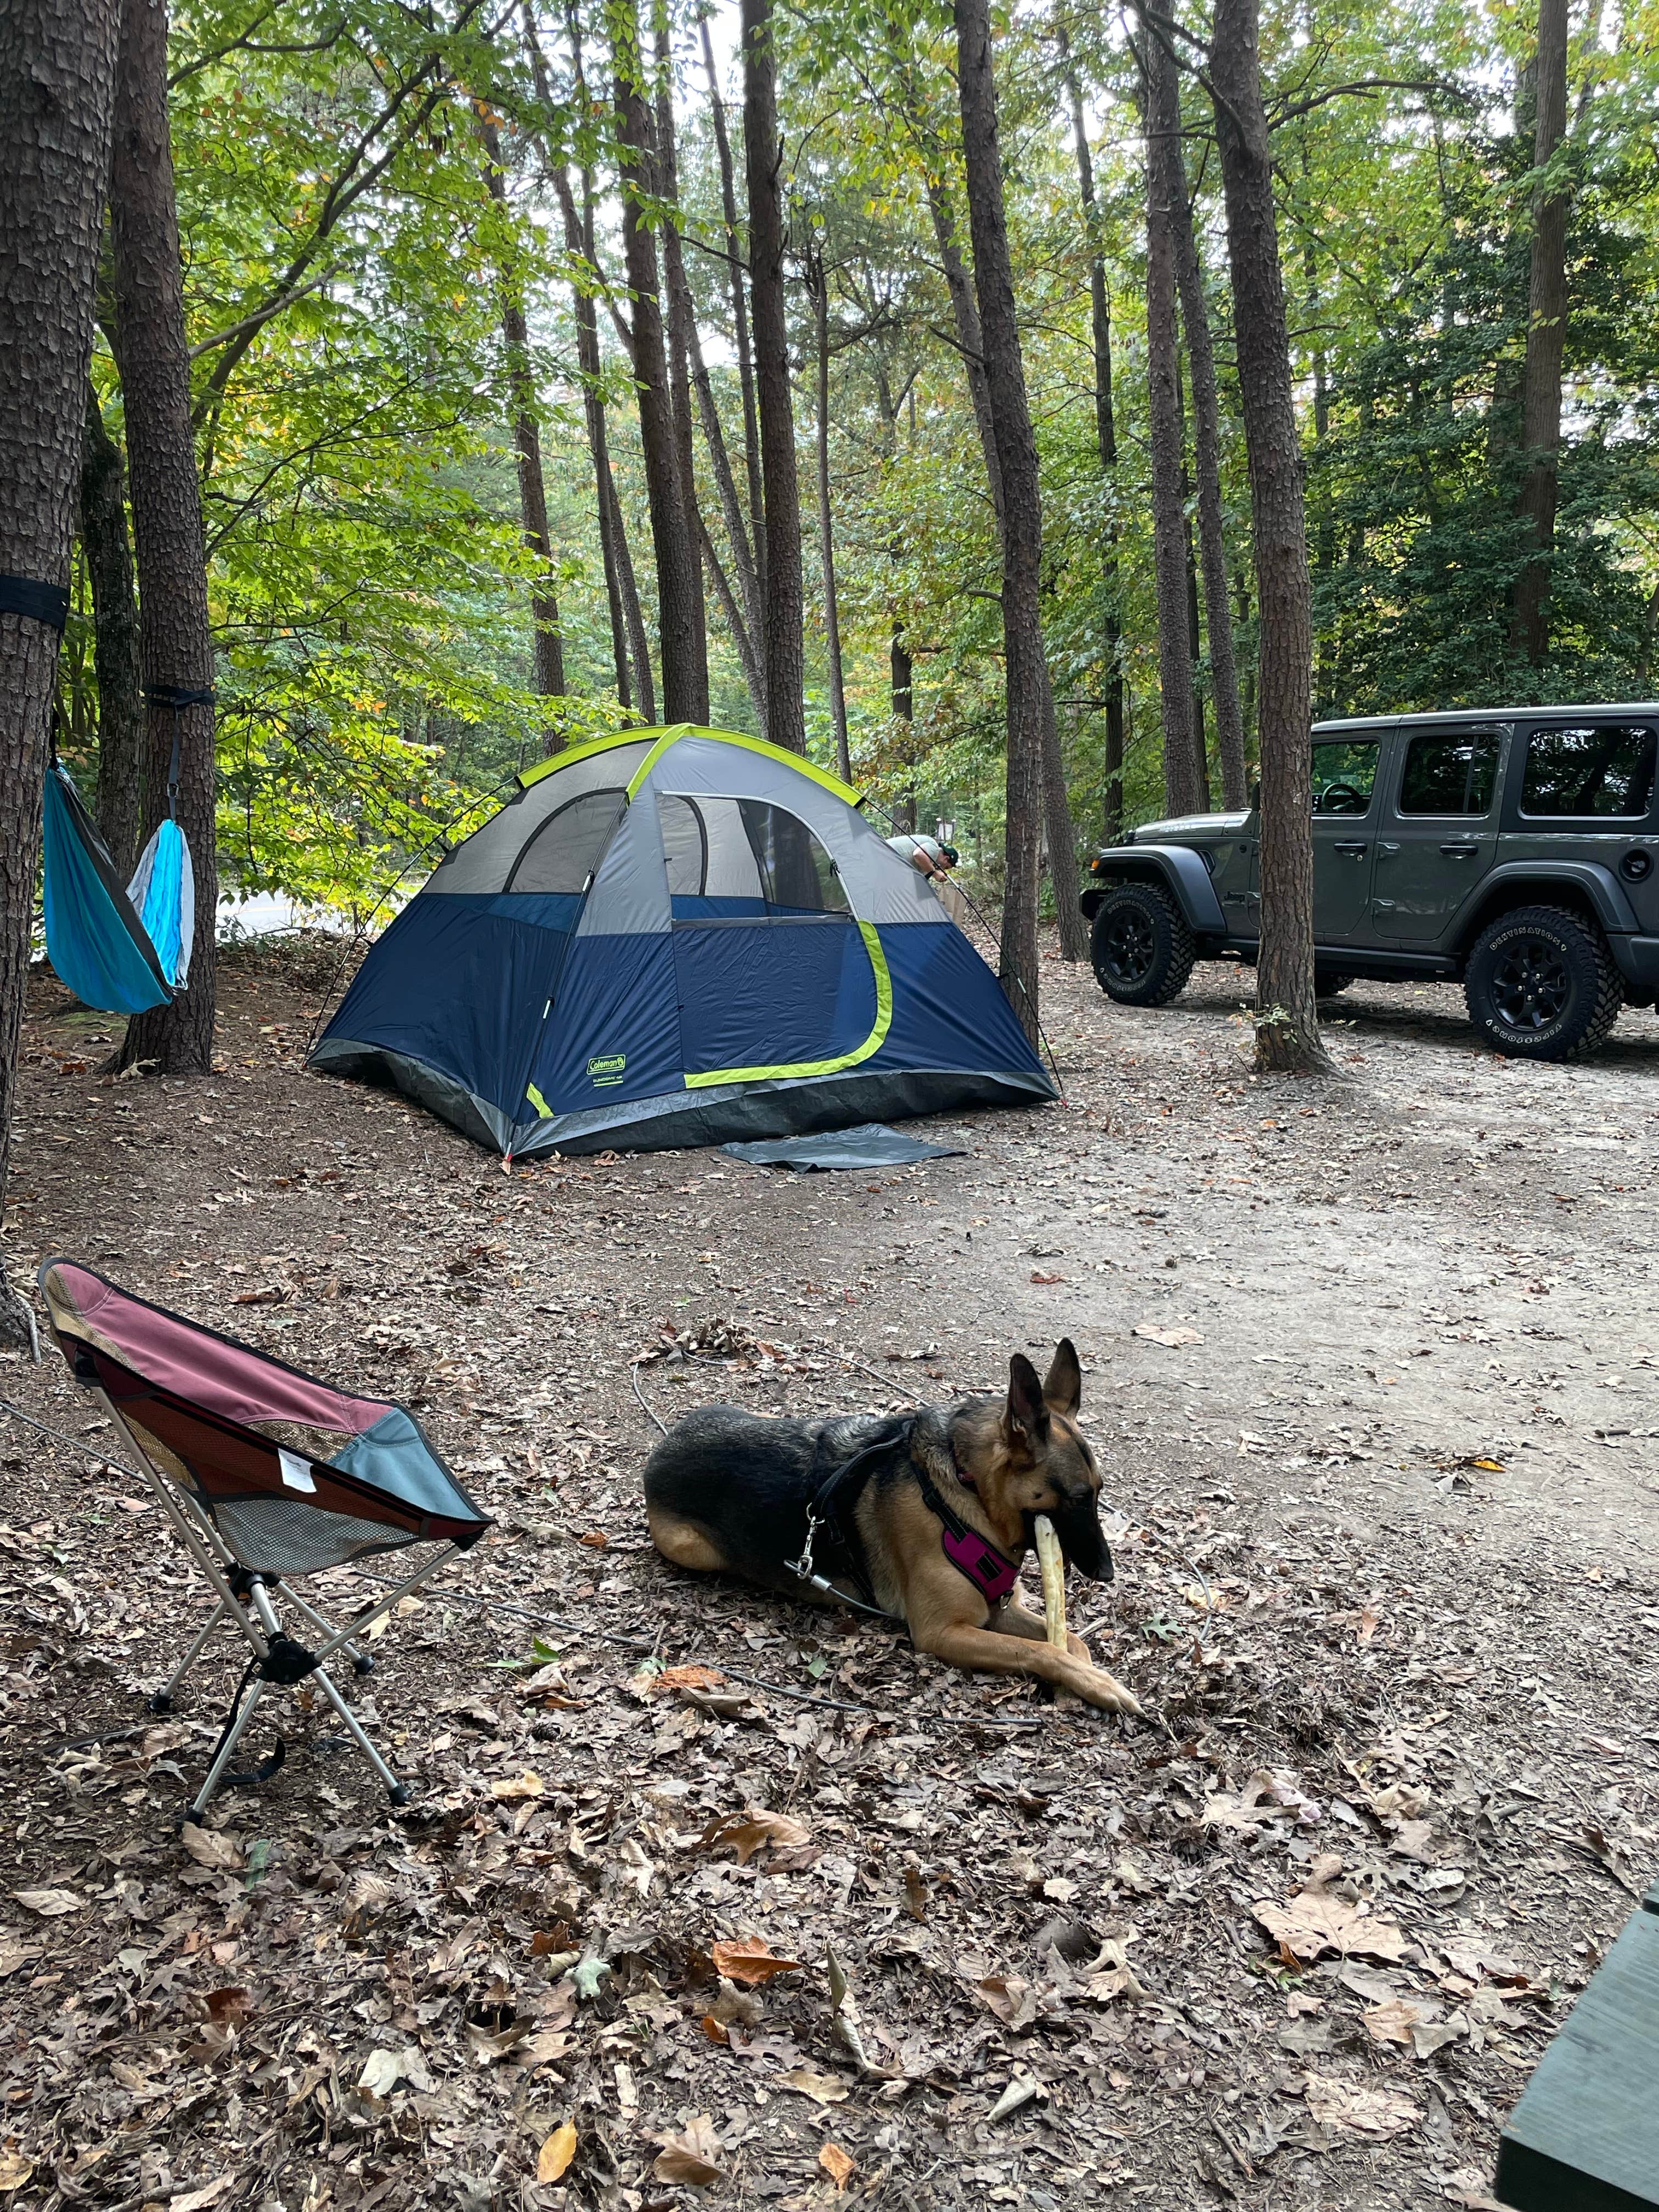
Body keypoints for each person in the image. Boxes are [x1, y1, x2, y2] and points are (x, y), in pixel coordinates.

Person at [887, 832, 968, 923]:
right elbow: (918, 854)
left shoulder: (926, 863)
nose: (942, 869)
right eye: (946, 867)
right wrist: (935, 873)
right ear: (946, 859)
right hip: (883, 855)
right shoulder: (934, 848)